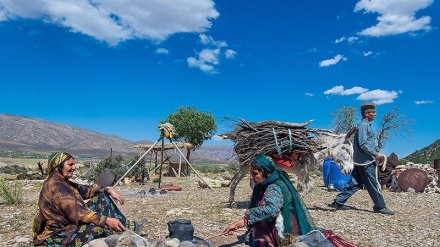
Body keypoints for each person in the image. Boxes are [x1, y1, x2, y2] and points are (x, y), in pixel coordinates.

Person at [33, 152, 147, 246]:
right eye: (70, 164)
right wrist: (106, 220)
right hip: (60, 233)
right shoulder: (56, 187)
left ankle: (128, 227)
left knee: (102, 198)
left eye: (74, 164)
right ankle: (122, 234)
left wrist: (108, 190)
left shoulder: (64, 182)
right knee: (98, 230)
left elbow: (87, 190)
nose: (74, 167)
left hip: (71, 221)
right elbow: (79, 213)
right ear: (58, 167)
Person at [222, 154, 316, 246]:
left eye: (255, 173)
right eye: (251, 173)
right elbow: (260, 213)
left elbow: (272, 210)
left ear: (266, 173)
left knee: (259, 225)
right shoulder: (263, 186)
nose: (251, 177)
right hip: (273, 223)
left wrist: (249, 213)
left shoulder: (274, 187)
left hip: (283, 229)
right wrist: (236, 225)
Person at [328, 102, 395, 215]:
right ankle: (380, 206)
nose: (375, 114)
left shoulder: (364, 125)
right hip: (365, 162)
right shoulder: (364, 126)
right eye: (373, 112)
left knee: (355, 183)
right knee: (373, 183)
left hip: (360, 161)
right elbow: (363, 144)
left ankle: (338, 202)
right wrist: (375, 154)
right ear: (366, 113)